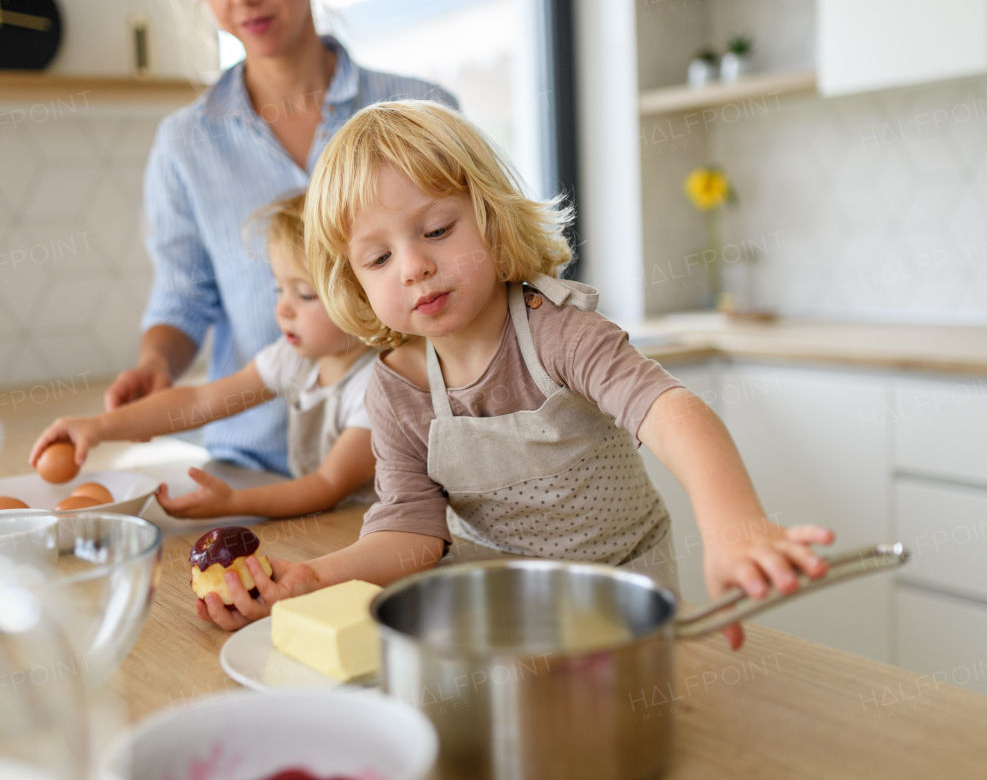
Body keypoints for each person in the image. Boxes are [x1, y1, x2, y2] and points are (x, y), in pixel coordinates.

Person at [194, 101, 837, 650]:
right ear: (353, 284)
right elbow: (410, 533)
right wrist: (314, 577)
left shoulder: (558, 331)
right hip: (497, 604)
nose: (413, 266)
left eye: (437, 230)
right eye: (380, 257)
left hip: (622, 594)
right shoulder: (394, 391)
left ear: (491, 217)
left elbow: (670, 411)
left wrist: (736, 524)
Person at [107, 0, 455, 476]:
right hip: (250, 459)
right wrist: (157, 364)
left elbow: (477, 261)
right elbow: (183, 297)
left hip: (412, 461)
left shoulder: (419, 110)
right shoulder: (185, 143)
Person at [30, 193, 378, 518]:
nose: (282, 309)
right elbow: (199, 400)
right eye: (278, 289)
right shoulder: (297, 358)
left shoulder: (377, 386)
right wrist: (97, 427)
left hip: (360, 526)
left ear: (367, 296)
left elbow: (328, 486)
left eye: (305, 294)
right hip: (328, 519)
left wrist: (233, 502)